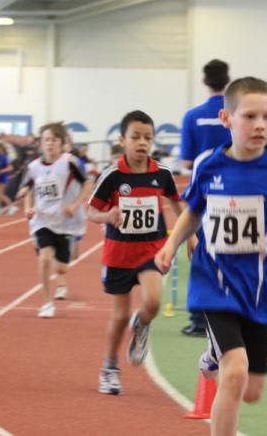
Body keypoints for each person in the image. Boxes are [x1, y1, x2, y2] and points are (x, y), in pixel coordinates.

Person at [155, 77, 267, 436]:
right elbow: (193, 210)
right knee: (235, 372)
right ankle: (221, 358)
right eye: (250, 116)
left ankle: (212, 357)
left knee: (251, 390)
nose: (260, 125)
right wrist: (171, 245)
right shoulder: (207, 164)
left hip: (260, 286)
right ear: (226, 118)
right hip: (213, 282)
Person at [87, 111, 184, 395]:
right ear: (122, 140)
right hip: (118, 254)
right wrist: (108, 216)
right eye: (135, 137)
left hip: (151, 251)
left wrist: (188, 237)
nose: (142, 142)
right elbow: (91, 211)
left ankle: (141, 325)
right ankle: (109, 368)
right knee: (119, 316)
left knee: (152, 302)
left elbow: (177, 204)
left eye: (148, 138)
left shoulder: (162, 173)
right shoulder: (113, 175)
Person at [178, 58, 232, 337]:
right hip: (235, 192)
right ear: (228, 81)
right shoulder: (236, 115)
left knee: (201, 256)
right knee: (233, 256)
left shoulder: (192, 117)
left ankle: (200, 321)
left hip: (204, 195)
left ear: (204, 81)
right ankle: (232, 317)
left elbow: (187, 162)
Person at [21, 122, 93, 318]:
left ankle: (62, 256)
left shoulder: (70, 162)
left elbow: (88, 184)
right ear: (41, 143)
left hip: (66, 221)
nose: (50, 144)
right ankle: (47, 303)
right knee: (45, 258)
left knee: (61, 267)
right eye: (46, 140)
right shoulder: (33, 167)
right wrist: (28, 207)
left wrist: (75, 205)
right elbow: (29, 189)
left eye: (54, 140)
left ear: (61, 143)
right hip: (42, 219)